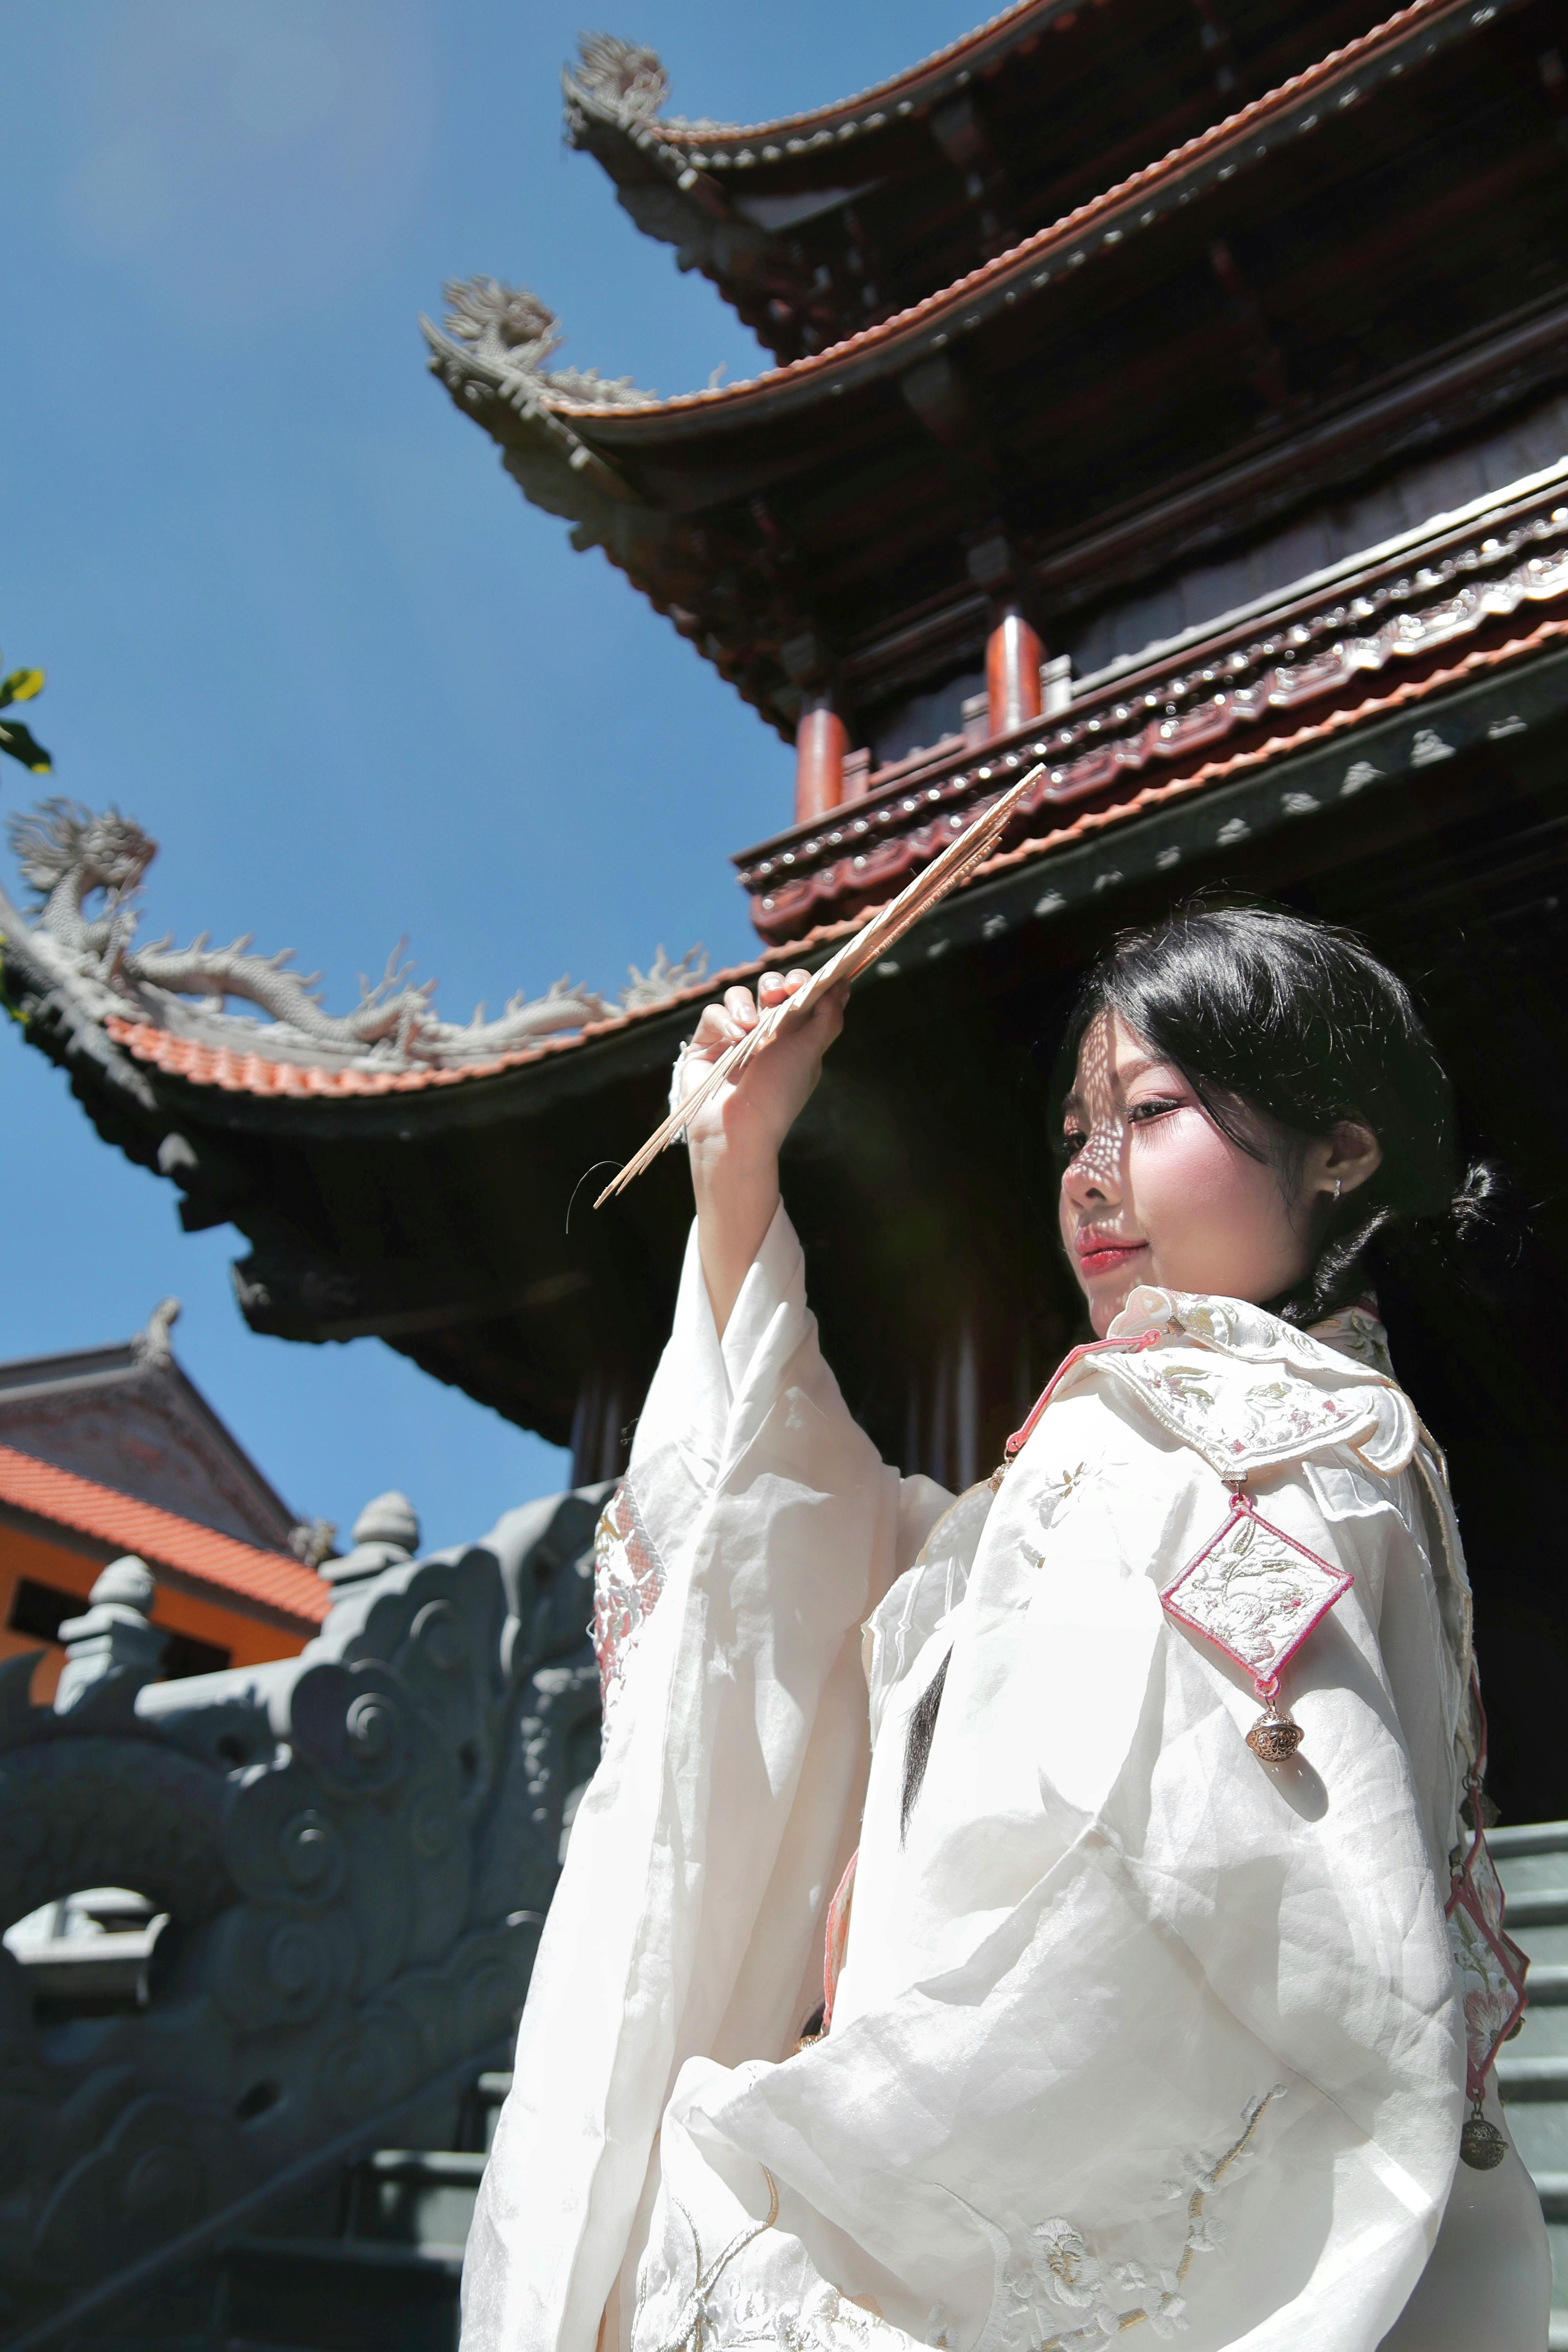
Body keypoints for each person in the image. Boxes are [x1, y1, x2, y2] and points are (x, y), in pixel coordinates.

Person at [463, 904, 1550, 2352]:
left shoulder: (1282, 1447)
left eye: (1152, 1111)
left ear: (1341, 1151)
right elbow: (816, 1544)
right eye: (1073, 1132)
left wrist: (835, 2128)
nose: (1091, 1180)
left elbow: (1242, 1902)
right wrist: (737, 1180)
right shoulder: (1092, 1459)